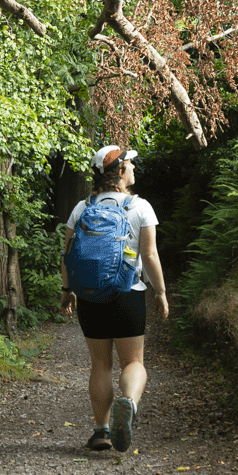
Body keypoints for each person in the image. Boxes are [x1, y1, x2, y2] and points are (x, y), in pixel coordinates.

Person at [61, 144, 168, 452]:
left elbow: (67, 255)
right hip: (127, 294)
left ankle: (101, 431)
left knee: (100, 364)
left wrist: (68, 291)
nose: (134, 168)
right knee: (133, 362)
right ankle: (129, 404)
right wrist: (160, 293)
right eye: (131, 164)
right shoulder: (140, 207)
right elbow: (149, 255)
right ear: (120, 171)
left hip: (90, 297)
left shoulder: (82, 207)